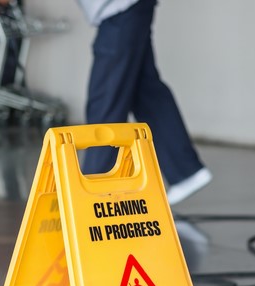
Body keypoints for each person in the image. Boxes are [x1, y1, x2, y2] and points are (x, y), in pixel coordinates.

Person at [79, 0, 212, 205]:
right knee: (144, 91)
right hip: (127, 8)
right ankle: (185, 170)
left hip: (119, 9)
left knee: (105, 99)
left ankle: (93, 193)